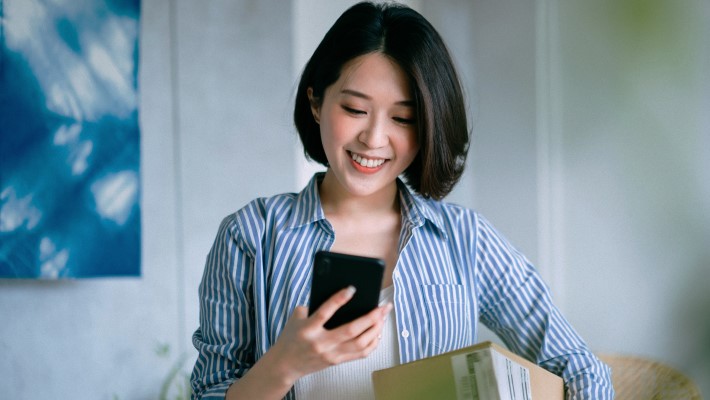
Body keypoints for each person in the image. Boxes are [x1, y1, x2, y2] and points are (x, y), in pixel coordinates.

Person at [190, 2, 614, 399]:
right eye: (355, 109)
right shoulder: (251, 236)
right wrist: (282, 365)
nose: (374, 139)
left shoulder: (465, 238)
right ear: (316, 101)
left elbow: (579, 368)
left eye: (402, 118)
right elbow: (208, 391)